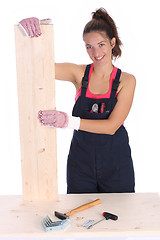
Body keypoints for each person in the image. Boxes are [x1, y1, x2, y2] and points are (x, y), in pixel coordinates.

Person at [19, 8, 136, 194]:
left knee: (119, 218)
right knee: (79, 220)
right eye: (89, 46)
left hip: (116, 164)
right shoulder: (79, 74)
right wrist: (31, 36)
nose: (95, 52)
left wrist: (69, 121)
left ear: (112, 42)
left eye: (101, 44)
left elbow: (111, 126)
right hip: (81, 164)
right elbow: (39, 67)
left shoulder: (126, 81)